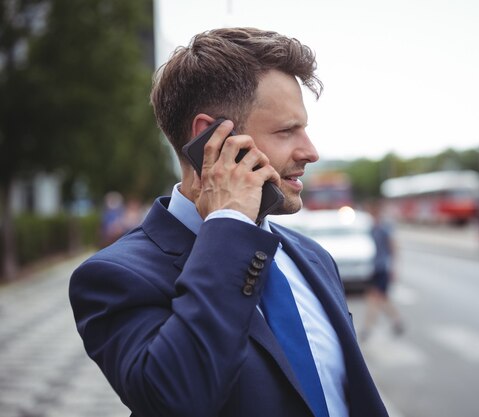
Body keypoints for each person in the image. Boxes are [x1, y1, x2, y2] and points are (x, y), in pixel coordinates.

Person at [69, 28, 388, 417]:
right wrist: (230, 221)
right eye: (287, 131)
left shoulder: (313, 257)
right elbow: (178, 398)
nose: (311, 152)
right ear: (212, 138)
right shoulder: (112, 277)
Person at [360, 201, 403, 341]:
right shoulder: (372, 228)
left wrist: (392, 267)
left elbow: (393, 247)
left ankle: (367, 328)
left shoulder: (384, 228)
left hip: (383, 268)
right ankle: (396, 321)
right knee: (381, 299)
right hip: (375, 267)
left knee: (374, 299)